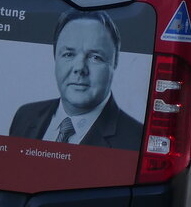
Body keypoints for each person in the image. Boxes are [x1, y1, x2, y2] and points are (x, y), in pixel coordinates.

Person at [10, 10, 142, 150]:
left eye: (95, 57)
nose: (80, 68)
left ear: (115, 62)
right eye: (68, 54)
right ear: (56, 58)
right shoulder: (24, 116)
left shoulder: (135, 140)